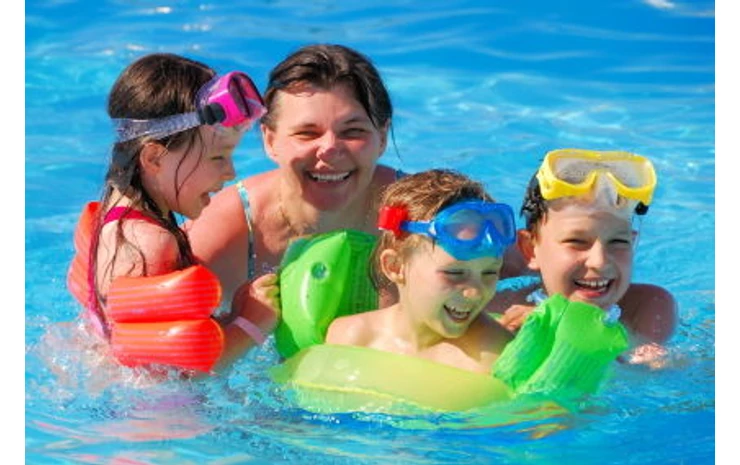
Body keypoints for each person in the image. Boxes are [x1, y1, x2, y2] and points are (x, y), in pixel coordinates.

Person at [66, 53, 279, 373]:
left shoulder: (116, 218)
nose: (231, 172)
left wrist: (232, 317)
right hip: (161, 420)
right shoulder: (151, 245)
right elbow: (180, 374)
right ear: (153, 157)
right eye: (218, 158)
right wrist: (253, 323)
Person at [186, 44, 401, 317]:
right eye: (307, 133)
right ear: (270, 140)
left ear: (382, 138)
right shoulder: (224, 235)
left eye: (353, 131)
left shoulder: (421, 219)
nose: (330, 149)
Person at [489, 148, 677, 366]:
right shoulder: (497, 309)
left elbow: (647, 371)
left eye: (618, 242)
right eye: (576, 242)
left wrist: (556, 324)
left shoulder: (645, 307)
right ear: (531, 250)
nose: (600, 261)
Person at [325, 169, 516, 374]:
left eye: (489, 273)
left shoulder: (492, 358)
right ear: (395, 266)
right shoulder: (351, 338)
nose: (475, 292)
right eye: (455, 273)